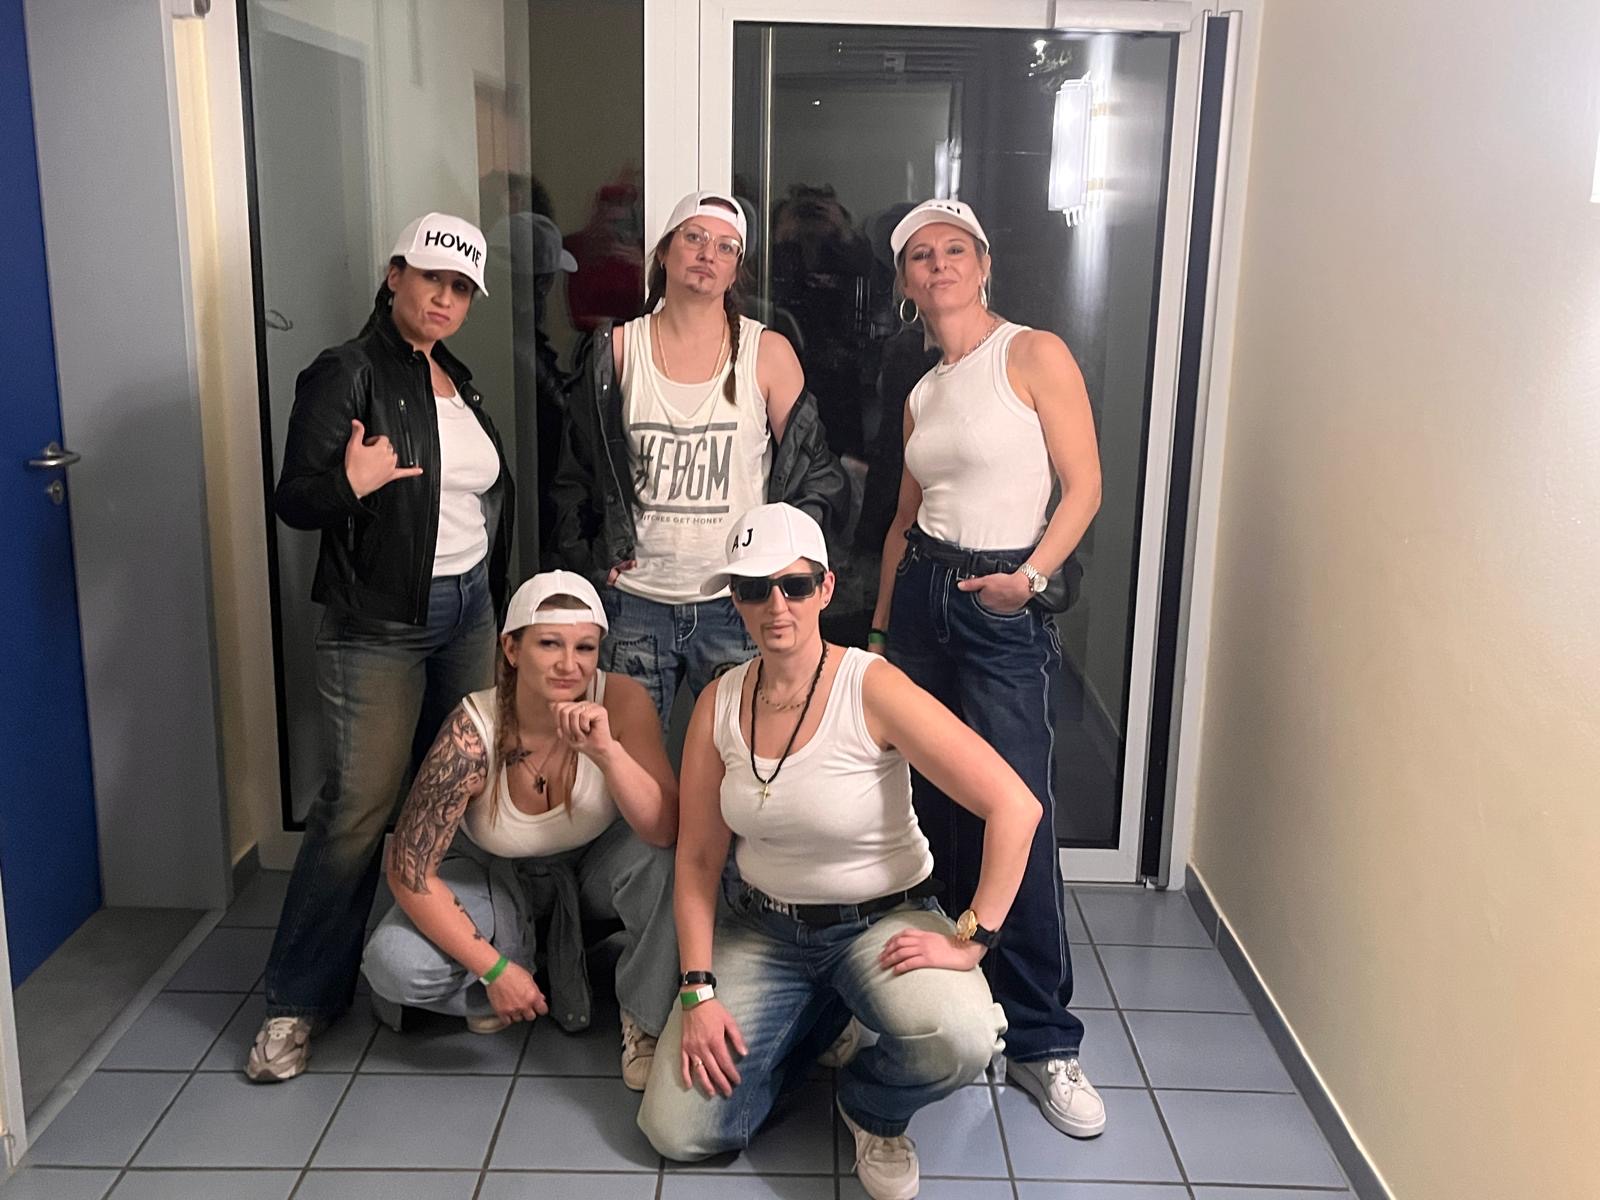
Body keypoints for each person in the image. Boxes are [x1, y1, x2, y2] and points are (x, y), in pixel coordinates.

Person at [638, 502, 1040, 1200]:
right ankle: (826, 1015)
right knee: (677, 1130)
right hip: (766, 928)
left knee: (964, 1037)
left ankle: (870, 1106)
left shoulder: (870, 686)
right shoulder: (719, 704)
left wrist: (973, 940)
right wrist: (697, 988)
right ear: (735, 600)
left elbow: (1016, 806)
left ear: (825, 589)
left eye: (794, 585)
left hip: (880, 922)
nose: (776, 607)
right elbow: (698, 859)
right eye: (754, 589)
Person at [251, 213, 513, 1082]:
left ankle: (436, 970)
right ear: (396, 275)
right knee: (360, 806)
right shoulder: (348, 371)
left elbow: (471, 500)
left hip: (468, 611)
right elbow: (296, 498)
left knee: (460, 792)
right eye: (432, 278)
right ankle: (297, 1001)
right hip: (379, 624)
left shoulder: (454, 379)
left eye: (461, 288)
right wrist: (348, 483)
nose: (445, 298)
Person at [869, 199, 1107, 1138]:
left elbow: (1084, 485)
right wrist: (881, 633)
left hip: (1000, 601)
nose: (939, 266)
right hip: (923, 597)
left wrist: (1030, 580)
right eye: (920, 256)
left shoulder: (1032, 353)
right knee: (933, 809)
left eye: (954, 250)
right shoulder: (922, 391)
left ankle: (1044, 1040)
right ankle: (959, 1006)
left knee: (1019, 812)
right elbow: (903, 519)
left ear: (984, 263)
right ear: (904, 281)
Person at [361, 571, 679, 1088]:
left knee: (667, 860)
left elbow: (665, 830)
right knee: (392, 963)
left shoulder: (620, 701)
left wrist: (607, 753)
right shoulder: (471, 732)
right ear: (511, 648)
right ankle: (509, 978)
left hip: (588, 871)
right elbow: (408, 871)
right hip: (493, 877)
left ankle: (643, 1016)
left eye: (585, 647)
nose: (569, 664)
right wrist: (492, 970)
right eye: (549, 643)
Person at [551, 189, 849, 723]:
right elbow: (575, 471)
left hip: (738, 602)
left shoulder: (767, 352)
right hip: (636, 601)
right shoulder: (616, 350)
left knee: (743, 759)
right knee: (626, 763)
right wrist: (592, 557)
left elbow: (817, 472)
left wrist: (784, 564)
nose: (709, 253)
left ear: (736, 270)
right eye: (695, 238)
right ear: (665, 251)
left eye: (726, 247)